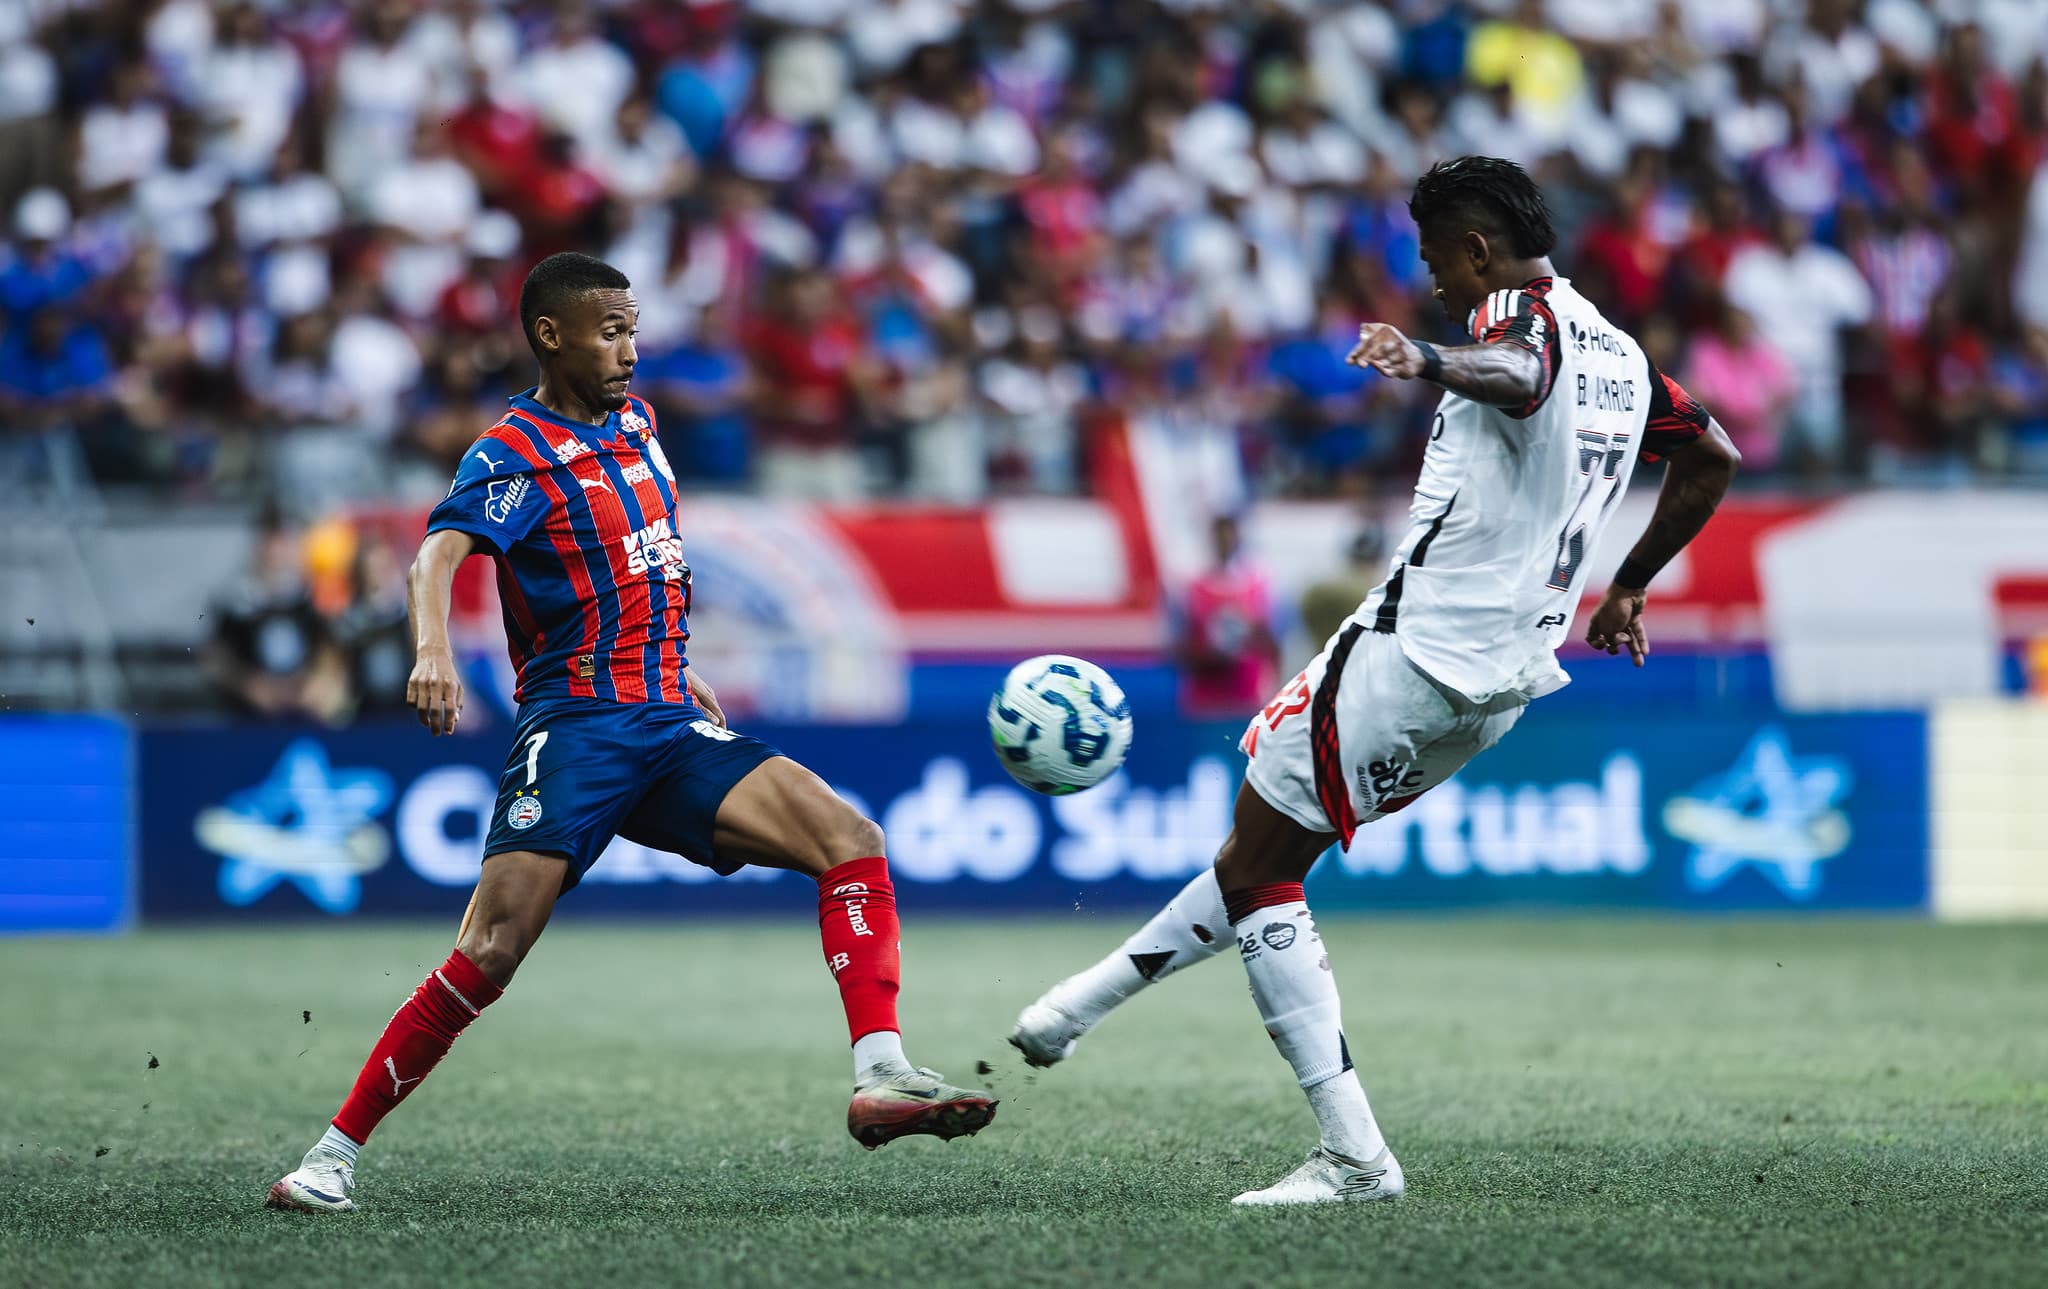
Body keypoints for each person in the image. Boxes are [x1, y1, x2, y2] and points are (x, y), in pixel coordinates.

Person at [1010, 158, 1739, 1207]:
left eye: (1436, 258)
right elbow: (1711, 455)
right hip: (1501, 680)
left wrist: (1428, 357)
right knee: (1266, 852)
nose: (1432, 279)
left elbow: (1520, 370)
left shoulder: (1515, 320)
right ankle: (1073, 1010)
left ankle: (1353, 1155)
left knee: (1260, 869)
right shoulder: (1622, 357)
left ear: (1477, 250)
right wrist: (1628, 585)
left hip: (1415, 649)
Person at [267, 253, 995, 1215]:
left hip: (669, 719)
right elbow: (435, 557)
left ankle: (882, 1071)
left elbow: (638, 568)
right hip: (578, 728)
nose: (629, 350)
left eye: (633, 330)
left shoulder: (640, 425)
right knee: (491, 948)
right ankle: (329, 1158)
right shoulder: (514, 452)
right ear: (551, 335)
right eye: (609, 331)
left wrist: (674, 663)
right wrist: (432, 650)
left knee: (849, 837)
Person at [1175, 514, 1282, 720]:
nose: (1225, 543)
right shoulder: (1193, 588)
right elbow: (1180, 649)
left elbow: (1272, 643)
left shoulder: (1257, 586)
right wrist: (1209, 656)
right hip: (1206, 699)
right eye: (1220, 538)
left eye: (1229, 537)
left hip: (1247, 695)